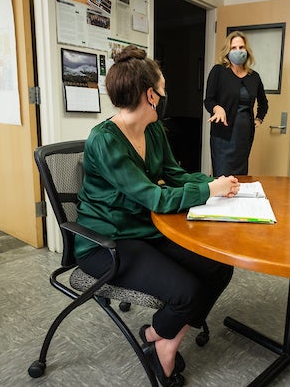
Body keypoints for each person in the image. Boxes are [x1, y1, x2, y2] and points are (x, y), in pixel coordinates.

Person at [74, 45, 240, 387]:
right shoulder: (104, 141)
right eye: (162, 89)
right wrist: (210, 192)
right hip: (106, 242)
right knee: (187, 291)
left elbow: (175, 175)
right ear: (150, 94)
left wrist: (216, 182)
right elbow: (155, 196)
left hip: (143, 229)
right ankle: (163, 348)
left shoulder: (153, 130)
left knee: (219, 267)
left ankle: (159, 333)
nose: (164, 95)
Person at [204, 30, 269, 176]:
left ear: (247, 50)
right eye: (234, 48)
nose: (238, 51)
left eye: (241, 47)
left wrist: (259, 118)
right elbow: (208, 100)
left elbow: (263, 103)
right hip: (223, 136)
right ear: (227, 51)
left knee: (240, 180)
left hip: (244, 137)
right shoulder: (219, 71)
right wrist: (217, 108)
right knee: (223, 178)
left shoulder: (254, 77)